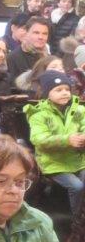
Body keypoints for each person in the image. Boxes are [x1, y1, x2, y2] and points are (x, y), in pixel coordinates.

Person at [25, 72, 85, 210]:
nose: (64, 93)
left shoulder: (79, 110)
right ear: (47, 93)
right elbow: (39, 139)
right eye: (58, 90)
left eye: (67, 89)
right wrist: (67, 140)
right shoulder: (39, 115)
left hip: (78, 160)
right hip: (53, 162)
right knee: (77, 186)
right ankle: (76, 219)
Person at [7, 16, 51, 85]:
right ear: (27, 33)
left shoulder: (49, 58)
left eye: (45, 34)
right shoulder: (13, 58)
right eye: (36, 33)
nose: (41, 37)